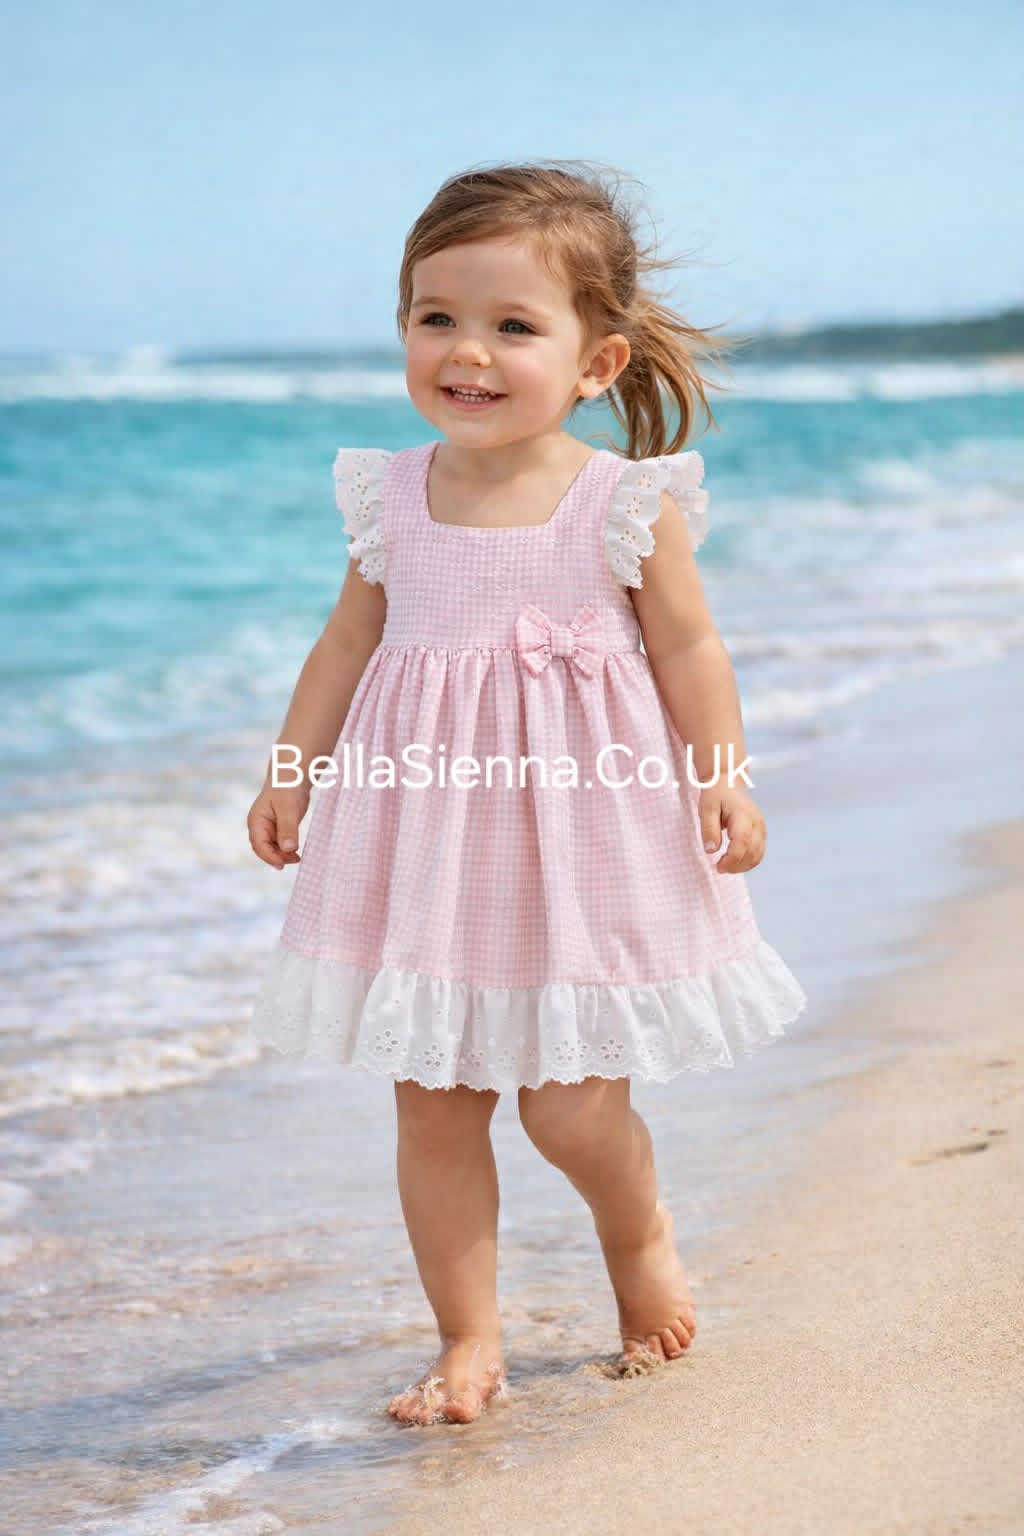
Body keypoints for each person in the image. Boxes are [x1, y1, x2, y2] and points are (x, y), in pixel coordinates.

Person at [246, 159, 808, 1428]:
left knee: (570, 1108)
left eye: (512, 325)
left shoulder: (622, 502)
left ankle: (637, 1231)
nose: (467, 352)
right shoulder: (391, 495)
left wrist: (722, 778)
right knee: (434, 1106)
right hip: (423, 837)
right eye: (435, 317)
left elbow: (689, 650)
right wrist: (291, 773)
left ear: (596, 363)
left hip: (583, 833)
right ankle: (467, 1341)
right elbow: (344, 644)